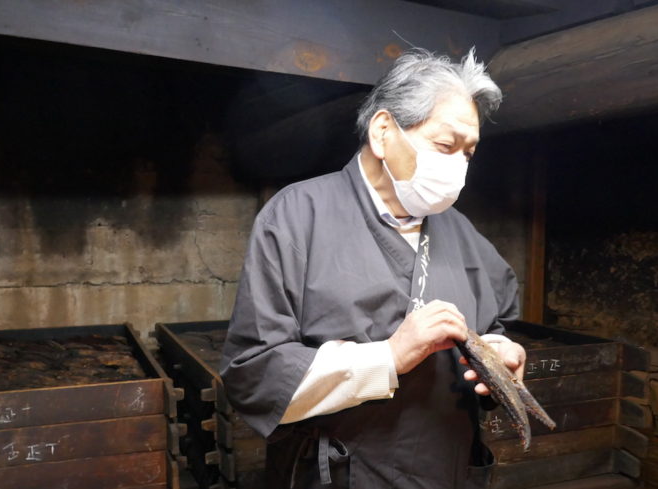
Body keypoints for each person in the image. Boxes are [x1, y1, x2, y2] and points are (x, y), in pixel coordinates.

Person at [220, 48, 527, 489]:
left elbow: (497, 323)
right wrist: (388, 357)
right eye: (446, 145)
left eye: (468, 153)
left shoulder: (460, 232)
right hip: (344, 473)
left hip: (447, 467)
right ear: (384, 131)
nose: (459, 166)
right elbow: (253, 374)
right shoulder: (297, 215)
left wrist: (501, 355)